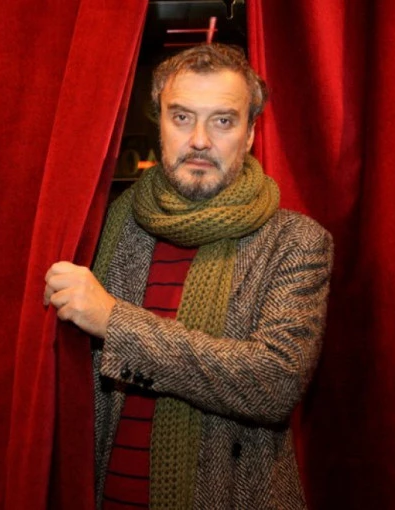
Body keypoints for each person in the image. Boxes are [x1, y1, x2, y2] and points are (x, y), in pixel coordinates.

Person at [44, 43, 333, 509]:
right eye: (181, 117)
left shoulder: (295, 242)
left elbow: (274, 383)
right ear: (159, 123)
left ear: (250, 133)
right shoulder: (105, 225)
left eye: (222, 121)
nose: (199, 139)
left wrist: (116, 322)